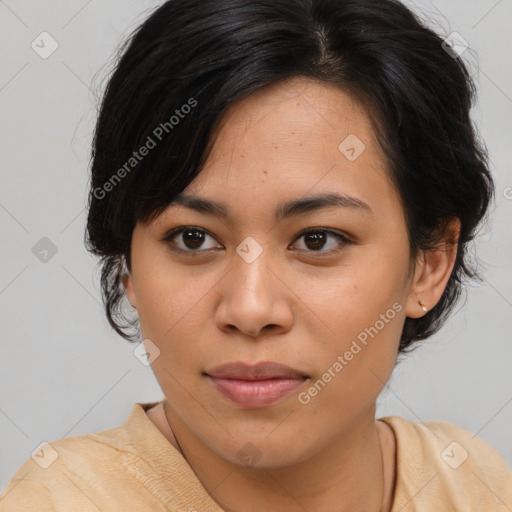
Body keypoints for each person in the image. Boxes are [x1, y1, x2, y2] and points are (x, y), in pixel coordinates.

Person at [1, 0, 511, 510]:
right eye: (193, 238)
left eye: (318, 240)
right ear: (127, 265)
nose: (249, 310)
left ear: (430, 263)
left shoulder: (471, 482)